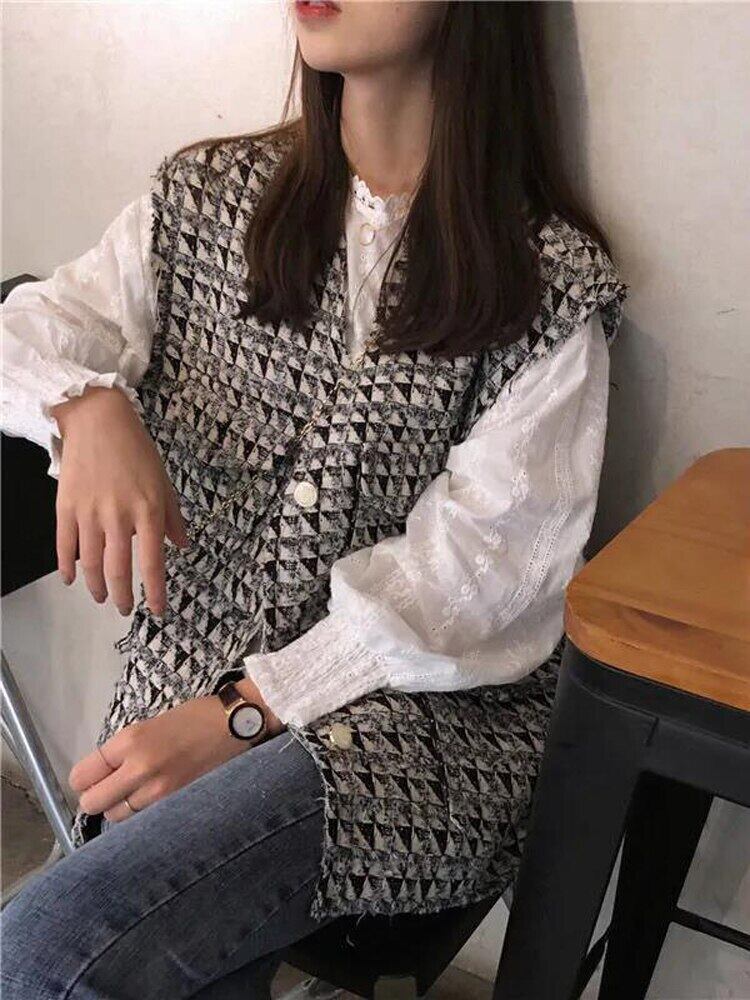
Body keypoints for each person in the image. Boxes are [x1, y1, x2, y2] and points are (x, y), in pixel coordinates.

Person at [0, 2, 629, 997]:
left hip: (421, 728)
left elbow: (476, 581)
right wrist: (85, 407)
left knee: (47, 944)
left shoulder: (546, 283)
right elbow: (30, 326)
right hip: (190, 684)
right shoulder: (206, 200)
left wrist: (247, 714)